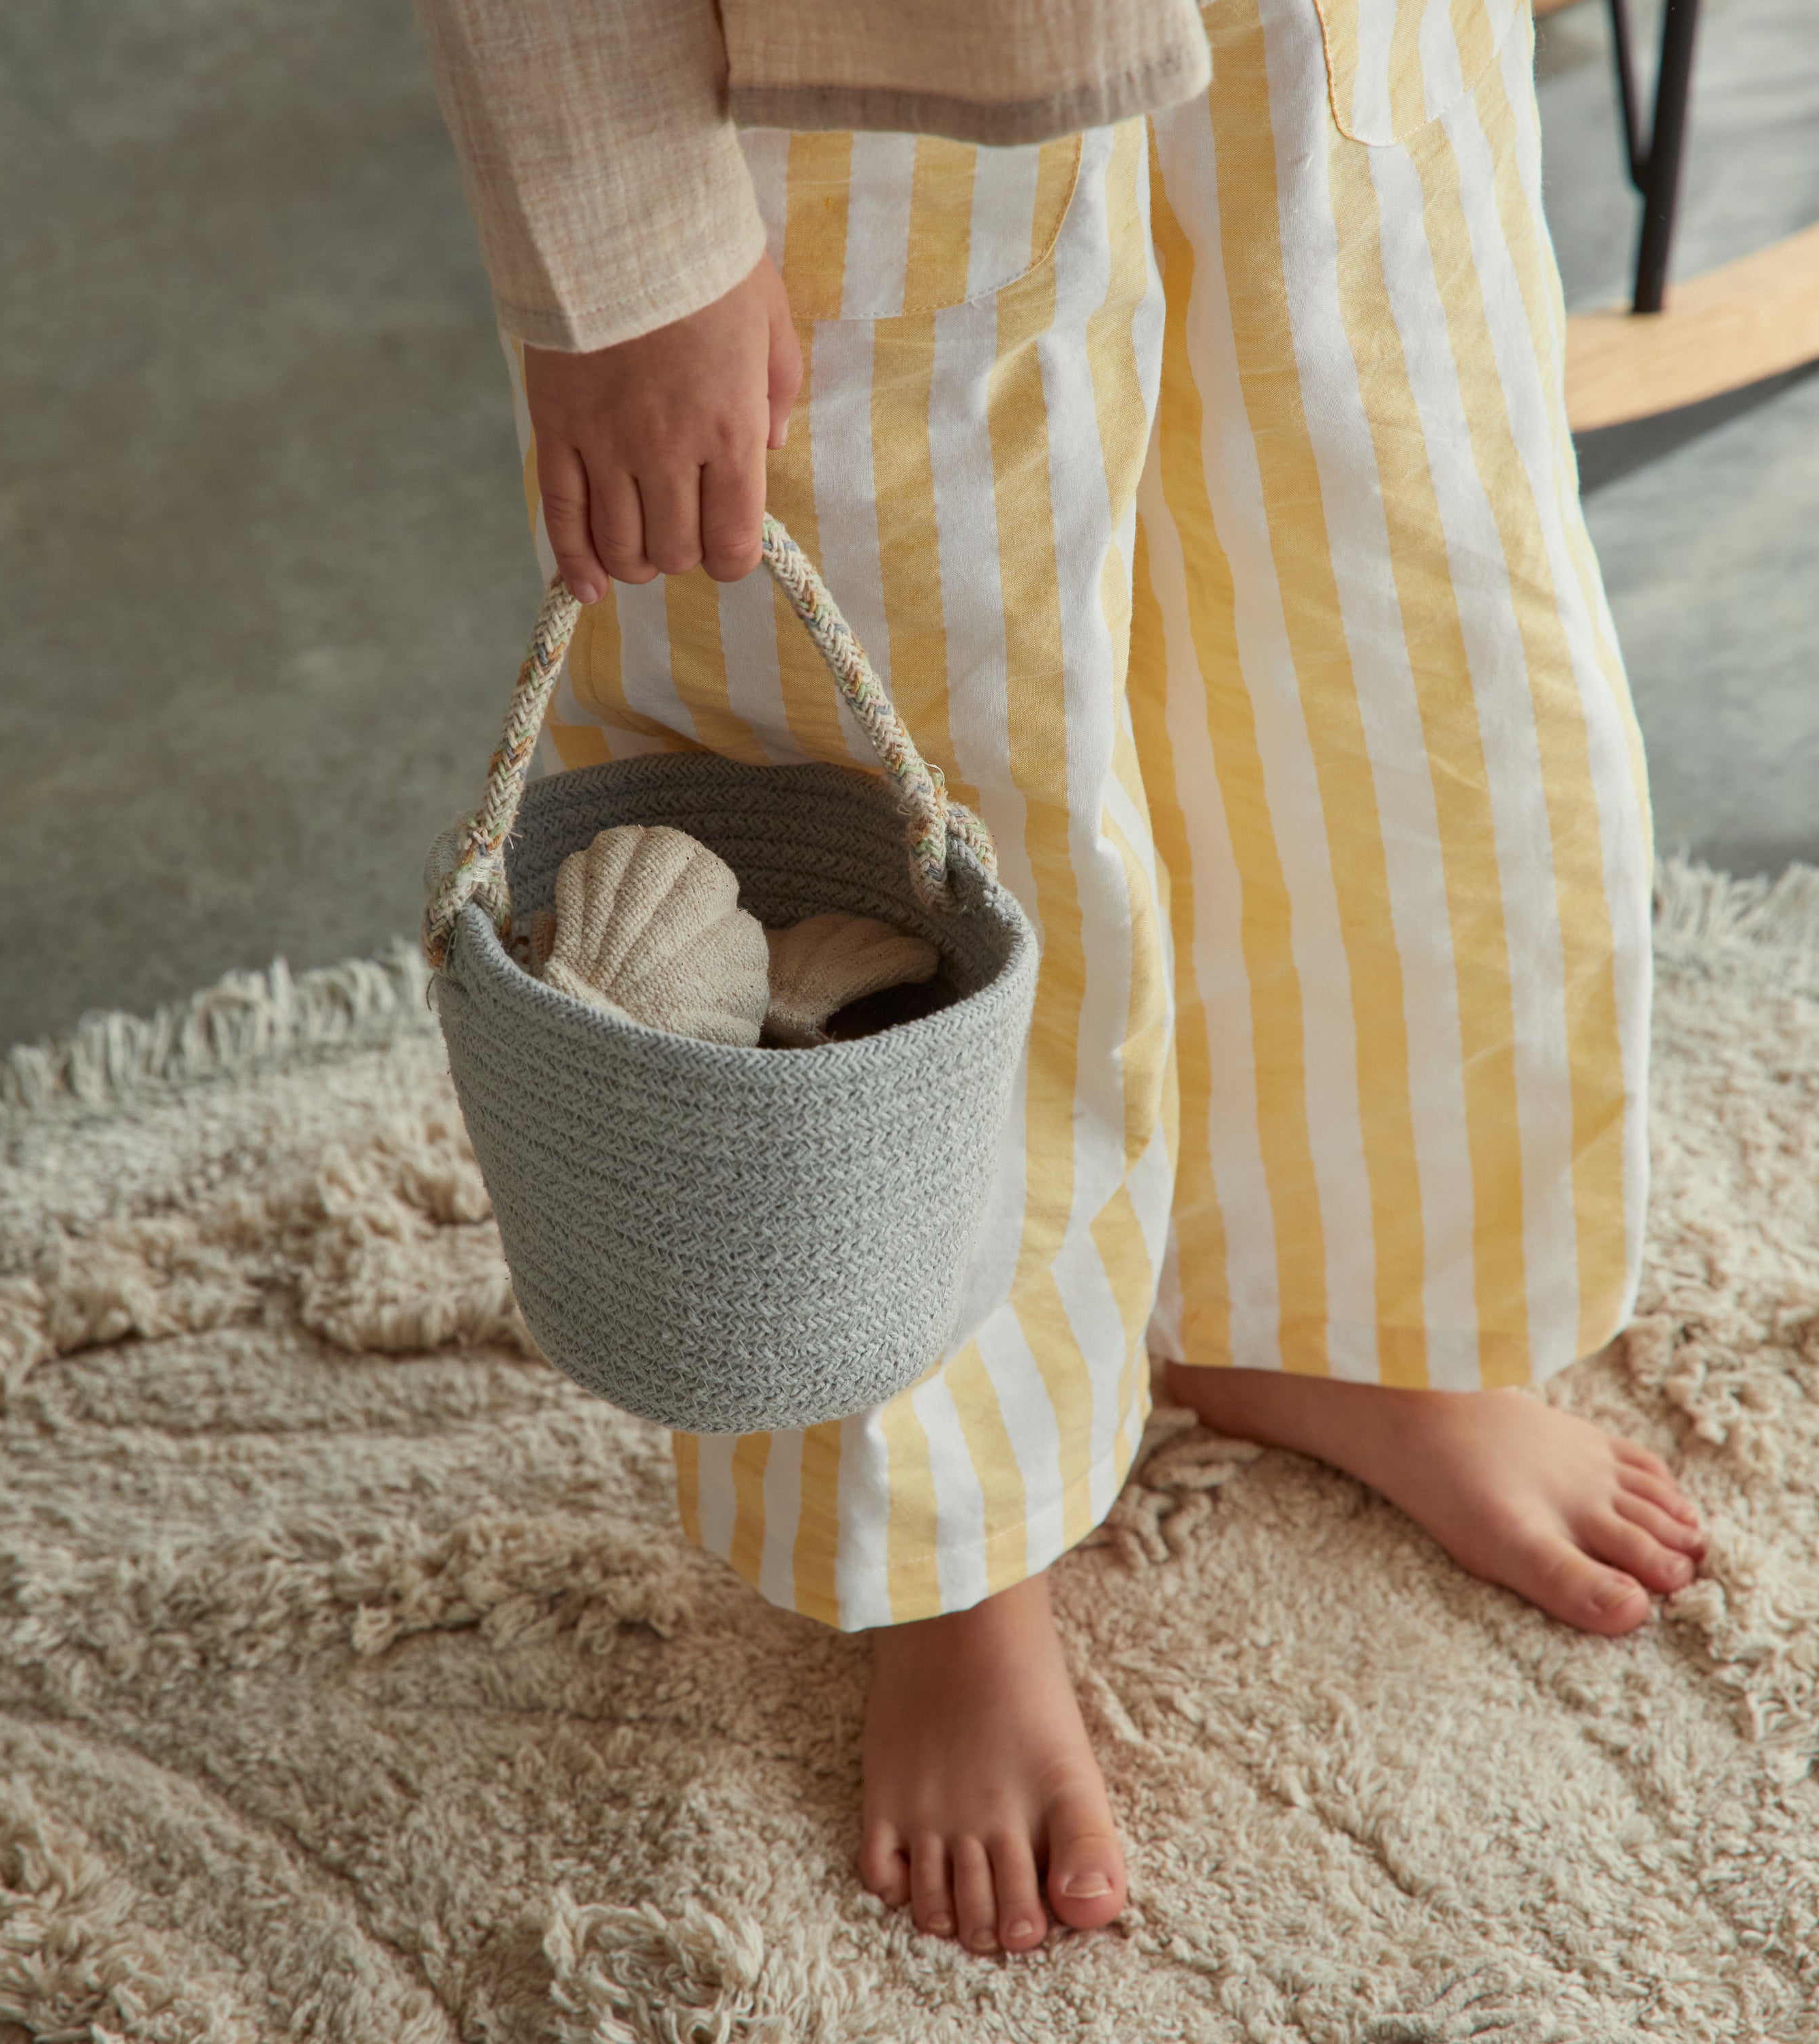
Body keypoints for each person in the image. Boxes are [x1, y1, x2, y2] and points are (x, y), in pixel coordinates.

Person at [415, 0, 1706, 1960]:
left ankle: (1322, 1301)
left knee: (1371, 612)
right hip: (853, 75)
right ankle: (949, 1549)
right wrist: (625, 242)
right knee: (908, 766)